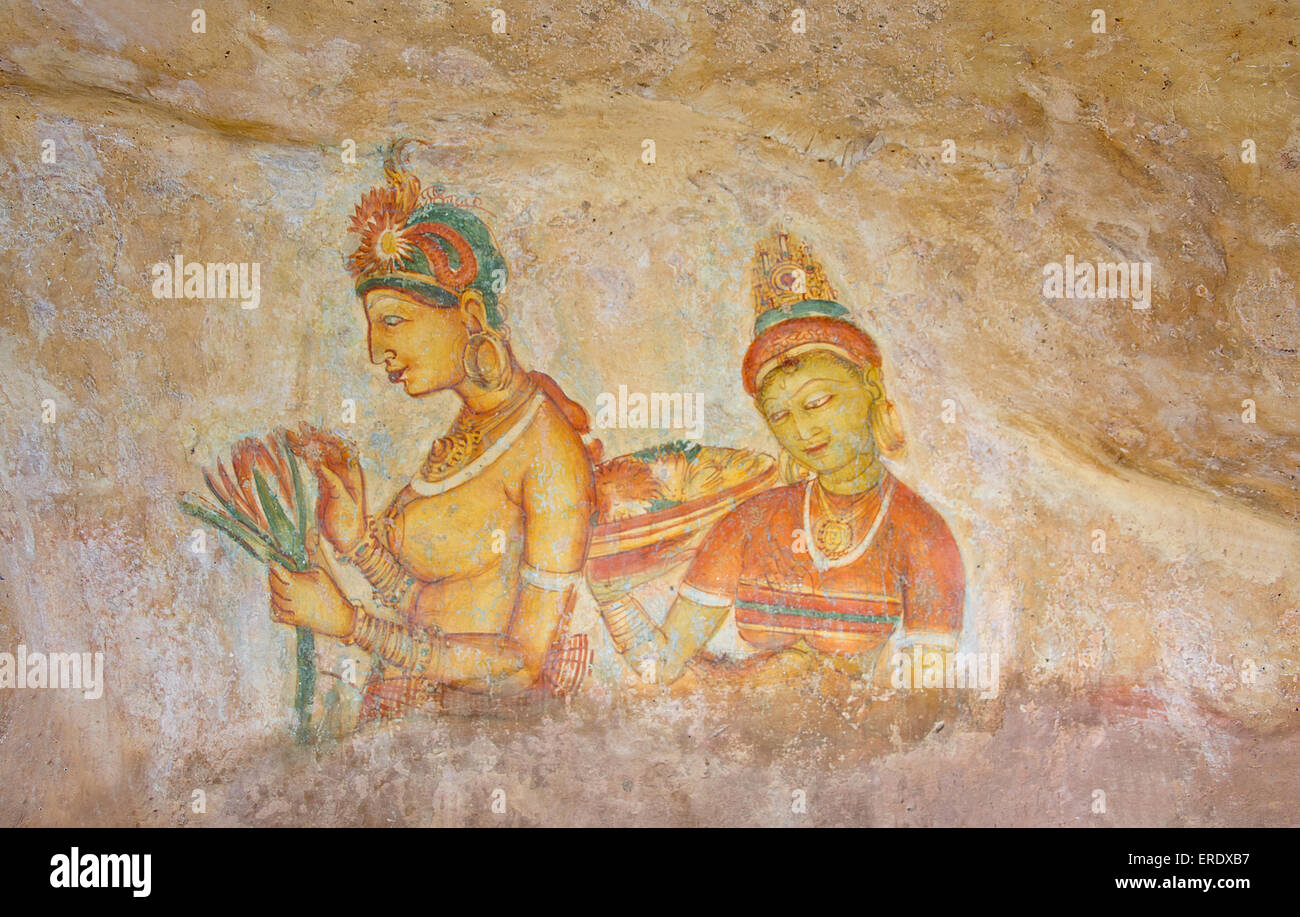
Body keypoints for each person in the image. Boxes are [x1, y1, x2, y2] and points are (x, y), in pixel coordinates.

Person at [266, 140, 596, 722]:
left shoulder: (548, 453)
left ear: (469, 316)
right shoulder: (470, 430)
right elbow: (426, 605)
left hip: (481, 741)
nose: (376, 351)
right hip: (411, 720)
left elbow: (519, 661)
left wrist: (349, 625)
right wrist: (355, 541)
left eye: (393, 321)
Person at [648, 230, 965, 700]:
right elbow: (661, 668)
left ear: (870, 389)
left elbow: (922, 704)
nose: (801, 430)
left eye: (817, 401)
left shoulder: (921, 533)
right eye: (780, 415)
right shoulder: (748, 523)